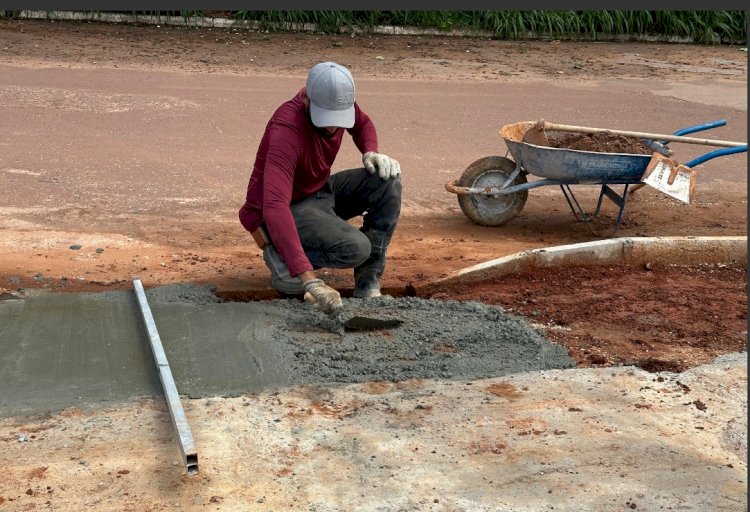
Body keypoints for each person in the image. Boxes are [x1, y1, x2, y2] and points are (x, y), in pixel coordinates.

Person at [238, 61, 402, 314]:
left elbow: (363, 124)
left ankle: (368, 283)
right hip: (284, 209)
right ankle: (283, 256)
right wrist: (310, 281)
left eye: (338, 119)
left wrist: (370, 152)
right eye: (325, 118)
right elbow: (274, 205)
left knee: (387, 181)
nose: (331, 127)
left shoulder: (338, 101)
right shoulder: (287, 130)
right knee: (356, 248)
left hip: (320, 191)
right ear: (308, 100)